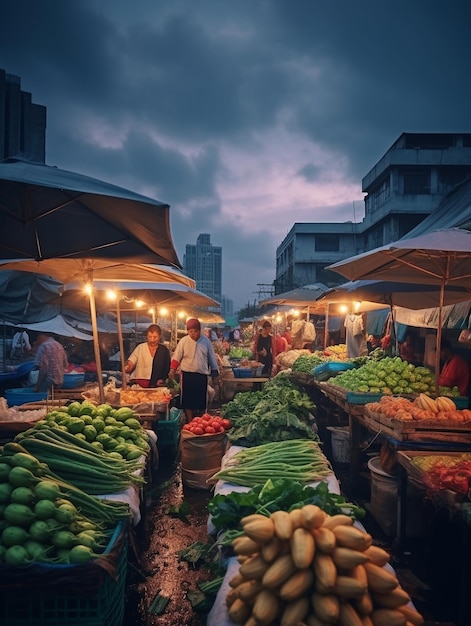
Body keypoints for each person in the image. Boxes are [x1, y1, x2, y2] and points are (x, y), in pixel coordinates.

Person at [168, 318, 220, 423]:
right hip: (187, 375)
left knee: (201, 401)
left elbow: (212, 359)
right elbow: (177, 356)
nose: (193, 334)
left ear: (199, 330)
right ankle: (190, 421)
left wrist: (215, 375)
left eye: (195, 331)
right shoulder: (183, 341)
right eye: (190, 331)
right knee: (187, 400)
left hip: (201, 376)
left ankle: (201, 421)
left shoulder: (206, 342)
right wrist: (172, 370)